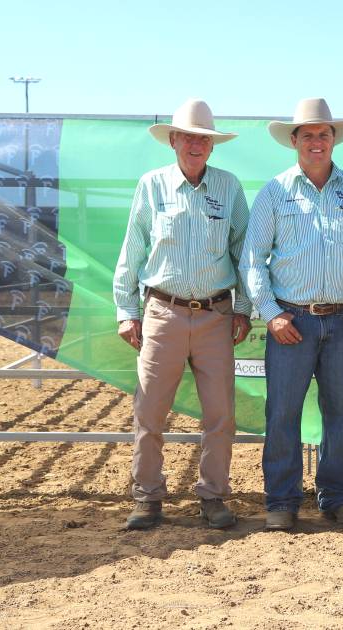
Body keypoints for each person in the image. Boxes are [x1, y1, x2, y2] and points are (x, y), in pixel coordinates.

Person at [241, 97, 343, 531]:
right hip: (291, 322)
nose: (316, 141)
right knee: (282, 411)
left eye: (324, 134)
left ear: (333, 139)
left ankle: (337, 496)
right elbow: (252, 258)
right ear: (294, 141)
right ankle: (281, 500)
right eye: (308, 135)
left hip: (342, 319)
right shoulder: (275, 191)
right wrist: (271, 313)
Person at [113, 98, 250, 530]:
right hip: (162, 311)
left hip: (216, 315)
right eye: (188, 137)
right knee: (149, 411)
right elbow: (133, 249)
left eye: (203, 139)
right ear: (173, 140)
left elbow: (244, 253)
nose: (195, 144)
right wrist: (126, 310)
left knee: (220, 414)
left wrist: (243, 307)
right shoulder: (151, 186)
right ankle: (148, 497)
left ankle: (213, 495)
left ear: (212, 146)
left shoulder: (228, 188)